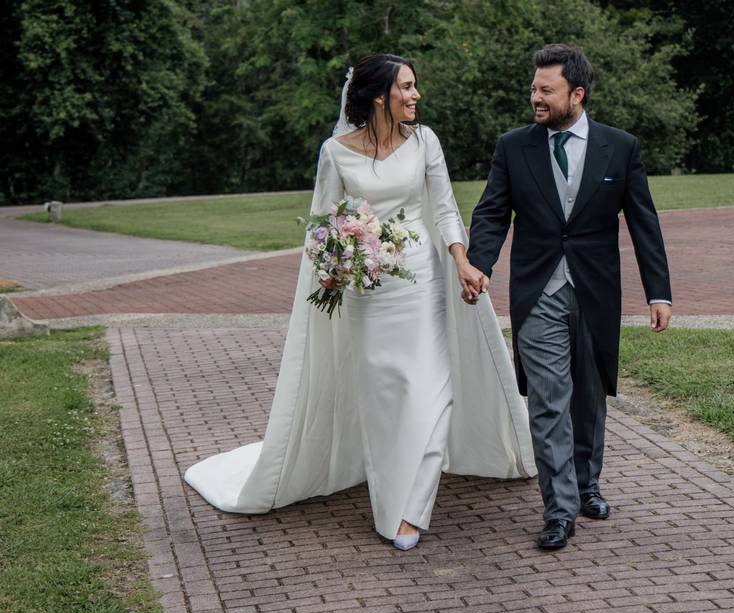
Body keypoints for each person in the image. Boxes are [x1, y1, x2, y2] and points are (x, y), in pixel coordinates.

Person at [184, 54, 535, 551]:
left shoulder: (425, 142)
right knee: (386, 400)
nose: (415, 96)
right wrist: (337, 268)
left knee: (436, 393)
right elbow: (326, 223)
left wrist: (461, 261)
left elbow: (445, 208)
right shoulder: (336, 152)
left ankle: (410, 510)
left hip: (423, 281)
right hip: (368, 291)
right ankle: (388, 502)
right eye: (407, 88)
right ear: (379, 97)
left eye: (415, 87)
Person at [465, 44, 672, 550]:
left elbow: (643, 222)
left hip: (595, 289)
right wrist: (478, 263)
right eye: (533, 88)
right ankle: (558, 509)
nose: (535, 97)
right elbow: (493, 212)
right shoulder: (514, 147)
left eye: (545, 90)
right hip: (538, 290)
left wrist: (658, 292)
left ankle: (587, 483)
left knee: (589, 392)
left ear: (576, 94)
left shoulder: (619, 147)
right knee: (548, 398)